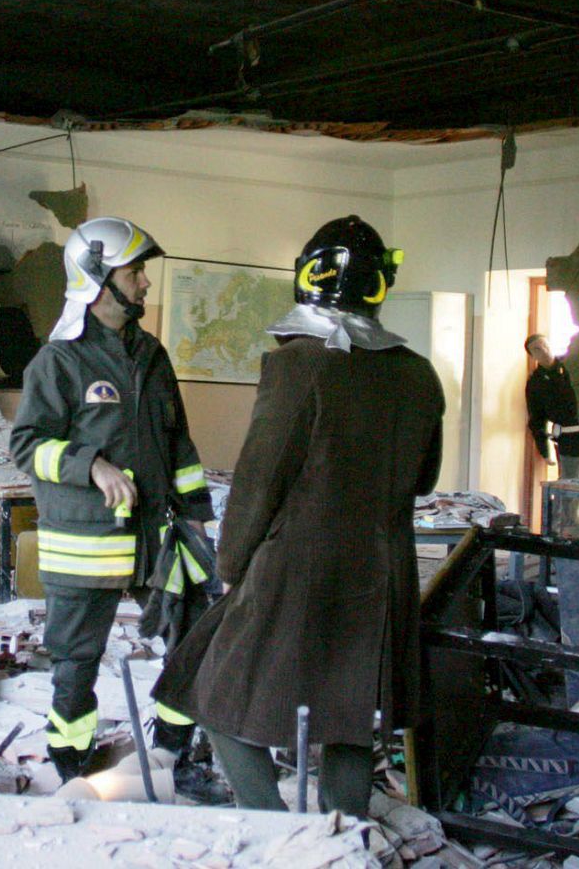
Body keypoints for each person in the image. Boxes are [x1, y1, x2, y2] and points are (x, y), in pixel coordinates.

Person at [153, 215, 444, 817]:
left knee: (210, 690)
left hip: (297, 568)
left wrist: (231, 563)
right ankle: (341, 836)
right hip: (383, 571)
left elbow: (261, 480)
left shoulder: (299, 365)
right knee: (351, 715)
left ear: (308, 278)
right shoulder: (418, 374)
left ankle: (270, 824)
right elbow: (425, 479)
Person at [9, 216, 226, 802]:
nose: (146, 284)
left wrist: (197, 516)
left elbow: (179, 443)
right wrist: (90, 465)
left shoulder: (151, 355)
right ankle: (71, 765)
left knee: (191, 638)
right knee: (76, 662)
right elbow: (26, 444)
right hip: (86, 542)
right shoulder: (59, 362)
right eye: (136, 273)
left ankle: (173, 749)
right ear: (99, 278)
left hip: (160, 536)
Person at [524, 333, 579, 480]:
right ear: (532, 356)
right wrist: (545, 451)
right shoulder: (535, 383)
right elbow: (536, 419)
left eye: (545, 345)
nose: (543, 351)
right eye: (537, 349)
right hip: (568, 437)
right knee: (570, 482)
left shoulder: (573, 364)